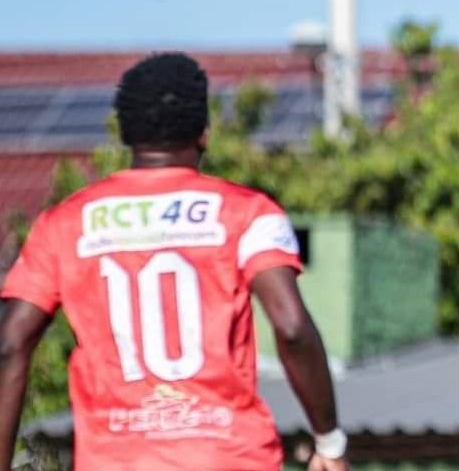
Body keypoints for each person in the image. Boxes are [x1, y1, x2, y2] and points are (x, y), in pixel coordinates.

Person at [0, 53, 349, 471]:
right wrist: (329, 441)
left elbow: (11, 344)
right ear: (204, 132)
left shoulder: (63, 224)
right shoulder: (248, 213)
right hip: (228, 458)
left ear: (125, 133)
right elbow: (291, 328)